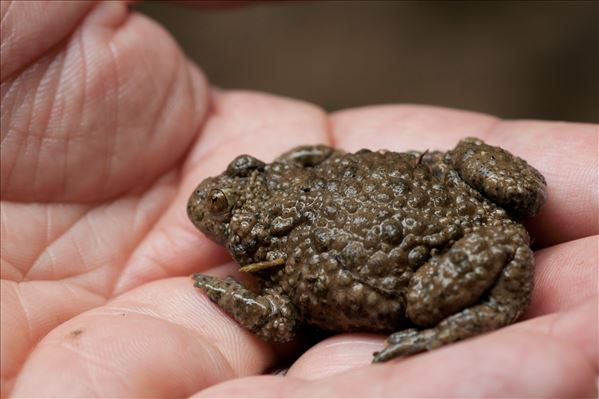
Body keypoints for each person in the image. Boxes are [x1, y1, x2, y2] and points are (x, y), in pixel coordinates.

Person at [1, 2, 596, 397]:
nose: (214, 196)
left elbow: (279, 320)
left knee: (426, 300)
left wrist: (219, 288)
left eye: (241, 181)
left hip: (444, 251)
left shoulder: (283, 268)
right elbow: (311, 155)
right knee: (471, 159)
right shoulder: (310, 168)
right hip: (447, 191)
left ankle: (483, 312)